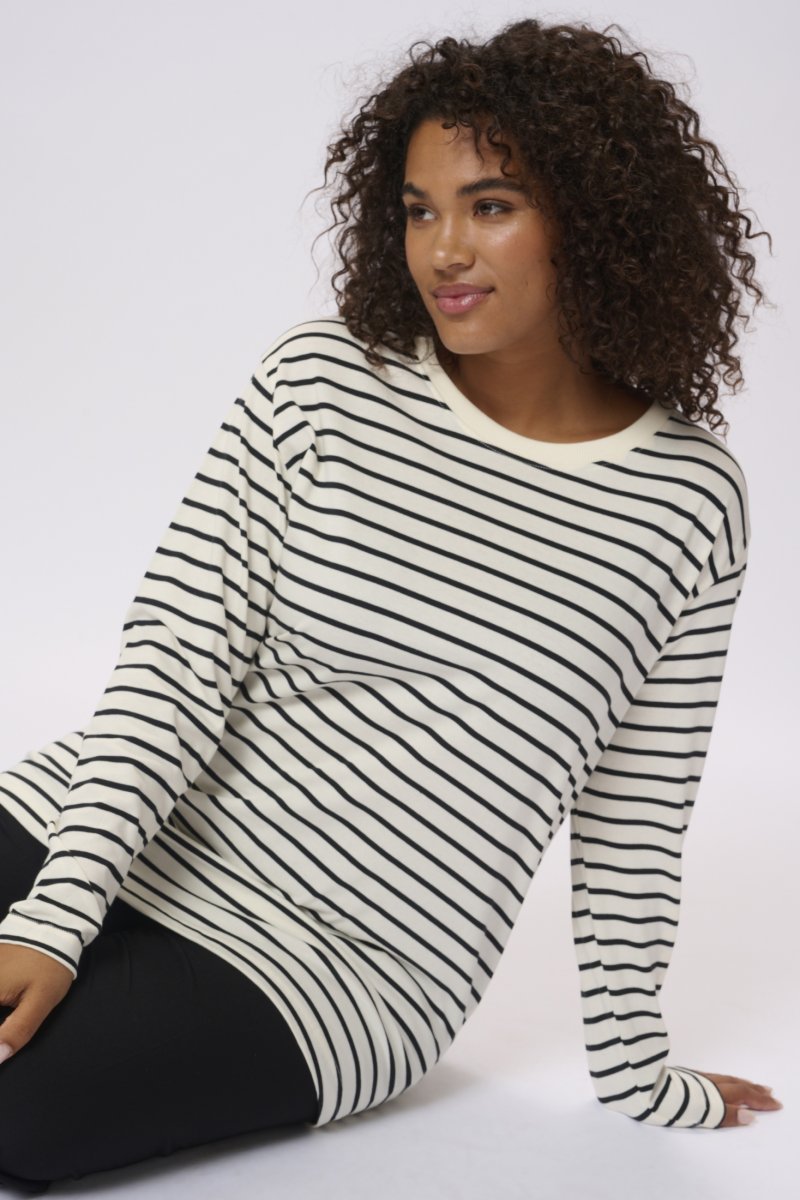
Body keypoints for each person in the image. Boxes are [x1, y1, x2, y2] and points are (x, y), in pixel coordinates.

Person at [0, 15, 782, 1193]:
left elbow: (635, 807)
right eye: (418, 210)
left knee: (21, 1122)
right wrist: (58, 913)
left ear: (595, 217)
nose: (443, 250)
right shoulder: (321, 379)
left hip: (343, 964)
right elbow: (177, 663)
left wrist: (635, 1071)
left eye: (490, 205)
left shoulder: (685, 500)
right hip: (112, 824)